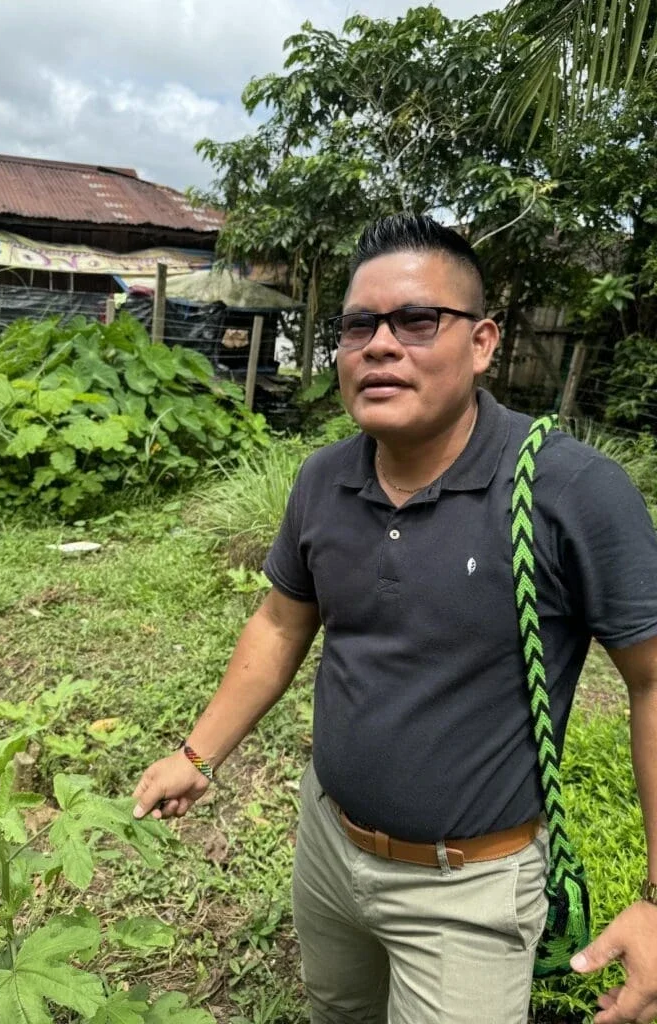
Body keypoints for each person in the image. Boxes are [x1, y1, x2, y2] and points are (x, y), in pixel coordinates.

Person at [132, 214, 657, 1024]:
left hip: (470, 888)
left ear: (482, 343)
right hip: (328, 847)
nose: (379, 344)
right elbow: (281, 622)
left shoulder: (570, 492)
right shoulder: (323, 479)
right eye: (358, 326)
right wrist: (198, 752)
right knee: (337, 1008)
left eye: (417, 321)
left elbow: (653, 684)